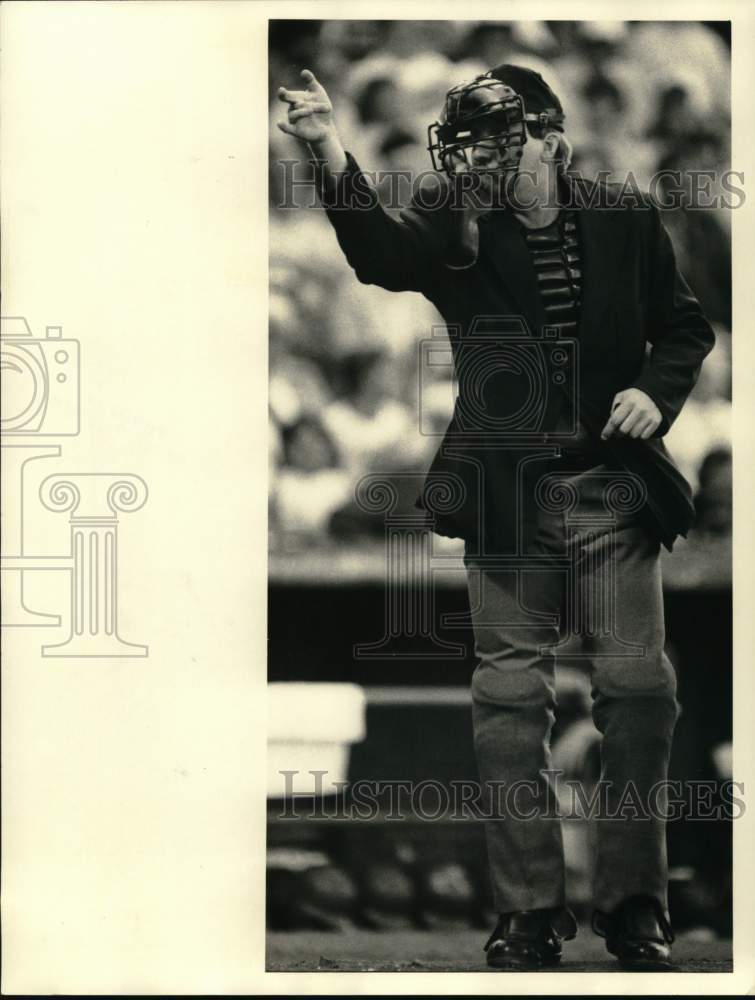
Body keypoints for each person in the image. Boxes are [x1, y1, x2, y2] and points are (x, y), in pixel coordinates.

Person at [277, 63, 715, 970]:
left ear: (551, 141)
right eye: (466, 143)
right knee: (508, 701)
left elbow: (683, 329)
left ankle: (635, 903)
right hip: (507, 494)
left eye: (495, 144)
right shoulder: (454, 218)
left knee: (640, 690)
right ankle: (528, 913)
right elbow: (373, 253)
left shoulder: (623, 215)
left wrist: (650, 390)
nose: (473, 161)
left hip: (613, 487)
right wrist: (323, 145)